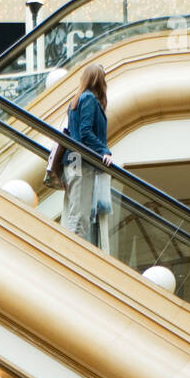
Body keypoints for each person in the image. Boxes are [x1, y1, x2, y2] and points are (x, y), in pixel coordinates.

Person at [61, 62, 114, 249]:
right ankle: (74, 256)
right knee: (80, 214)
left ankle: (74, 252)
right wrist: (104, 151)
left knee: (76, 210)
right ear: (99, 80)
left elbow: (72, 133)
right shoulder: (90, 99)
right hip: (81, 161)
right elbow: (85, 132)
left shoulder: (75, 101)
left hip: (72, 160)